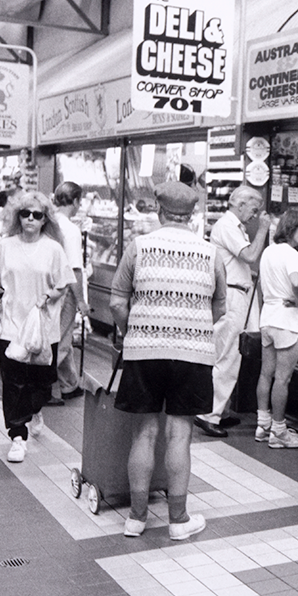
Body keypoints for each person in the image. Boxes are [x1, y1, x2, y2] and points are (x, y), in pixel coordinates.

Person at [110, 181, 226, 541]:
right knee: (180, 435)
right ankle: (178, 521)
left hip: (144, 352)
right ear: (191, 216)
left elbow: (116, 302)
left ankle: (136, 518)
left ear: (160, 212)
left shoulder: (139, 247)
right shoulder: (210, 252)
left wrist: (136, 330)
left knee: (143, 434)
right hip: (192, 355)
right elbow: (220, 307)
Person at [0, 191, 74, 463]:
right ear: (16, 215)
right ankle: (17, 435)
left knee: (40, 383)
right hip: (11, 326)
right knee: (12, 382)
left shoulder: (53, 248)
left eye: (37, 215)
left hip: (43, 328)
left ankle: (36, 409)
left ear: (44, 219)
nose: (30, 219)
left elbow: (63, 284)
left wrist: (51, 295)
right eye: (25, 213)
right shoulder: (5, 245)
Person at [195, 186, 271, 438]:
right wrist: (262, 230)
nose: (255, 214)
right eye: (253, 208)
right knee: (227, 355)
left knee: (231, 354)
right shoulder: (227, 226)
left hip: (238, 292)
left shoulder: (234, 227)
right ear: (239, 204)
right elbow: (249, 255)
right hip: (231, 296)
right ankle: (209, 414)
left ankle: (220, 410)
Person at [255, 209, 298, 449]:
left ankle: (262, 424)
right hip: (287, 322)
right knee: (283, 379)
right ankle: (279, 431)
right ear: (291, 229)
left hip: (268, 318)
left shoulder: (268, 251)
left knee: (265, 373)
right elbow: (297, 282)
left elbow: (259, 285)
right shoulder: (290, 253)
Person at [47, 181, 89, 405]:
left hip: (48, 288)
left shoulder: (50, 222)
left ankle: (69, 384)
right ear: (74, 201)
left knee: (60, 338)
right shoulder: (71, 230)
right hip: (65, 292)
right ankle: (43, 388)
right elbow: (74, 268)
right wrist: (81, 300)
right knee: (61, 341)